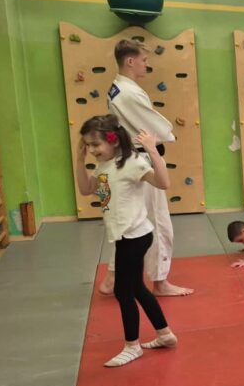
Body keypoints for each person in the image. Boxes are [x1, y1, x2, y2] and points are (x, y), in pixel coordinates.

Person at [74, 115, 177, 367]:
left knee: (123, 291)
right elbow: (86, 190)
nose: (92, 150)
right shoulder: (103, 166)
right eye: (88, 145)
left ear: (114, 141)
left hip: (135, 236)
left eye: (95, 144)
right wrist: (79, 159)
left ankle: (132, 346)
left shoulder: (131, 163)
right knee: (137, 288)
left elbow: (163, 183)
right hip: (125, 236)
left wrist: (152, 151)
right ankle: (165, 334)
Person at [99, 39, 193, 297]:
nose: (146, 64)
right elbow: (159, 129)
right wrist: (167, 134)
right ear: (130, 61)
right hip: (140, 161)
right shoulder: (129, 92)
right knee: (158, 222)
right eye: (144, 60)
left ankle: (112, 276)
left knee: (130, 222)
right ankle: (160, 282)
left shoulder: (117, 87)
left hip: (126, 160)